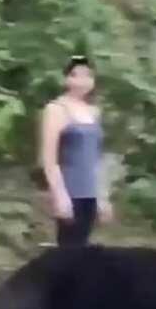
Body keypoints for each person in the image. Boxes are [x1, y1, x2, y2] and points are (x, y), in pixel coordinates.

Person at [40, 55, 113, 246]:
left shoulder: (94, 112)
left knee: (84, 251)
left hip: (91, 192)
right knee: (68, 251)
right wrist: (59, 195)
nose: (81, 81)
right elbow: (49, 159)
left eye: (87, 76)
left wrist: (103, 196)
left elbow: (97, 158)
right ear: (66, 78)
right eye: (75, 75)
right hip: (70, 191)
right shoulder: (56, 109)